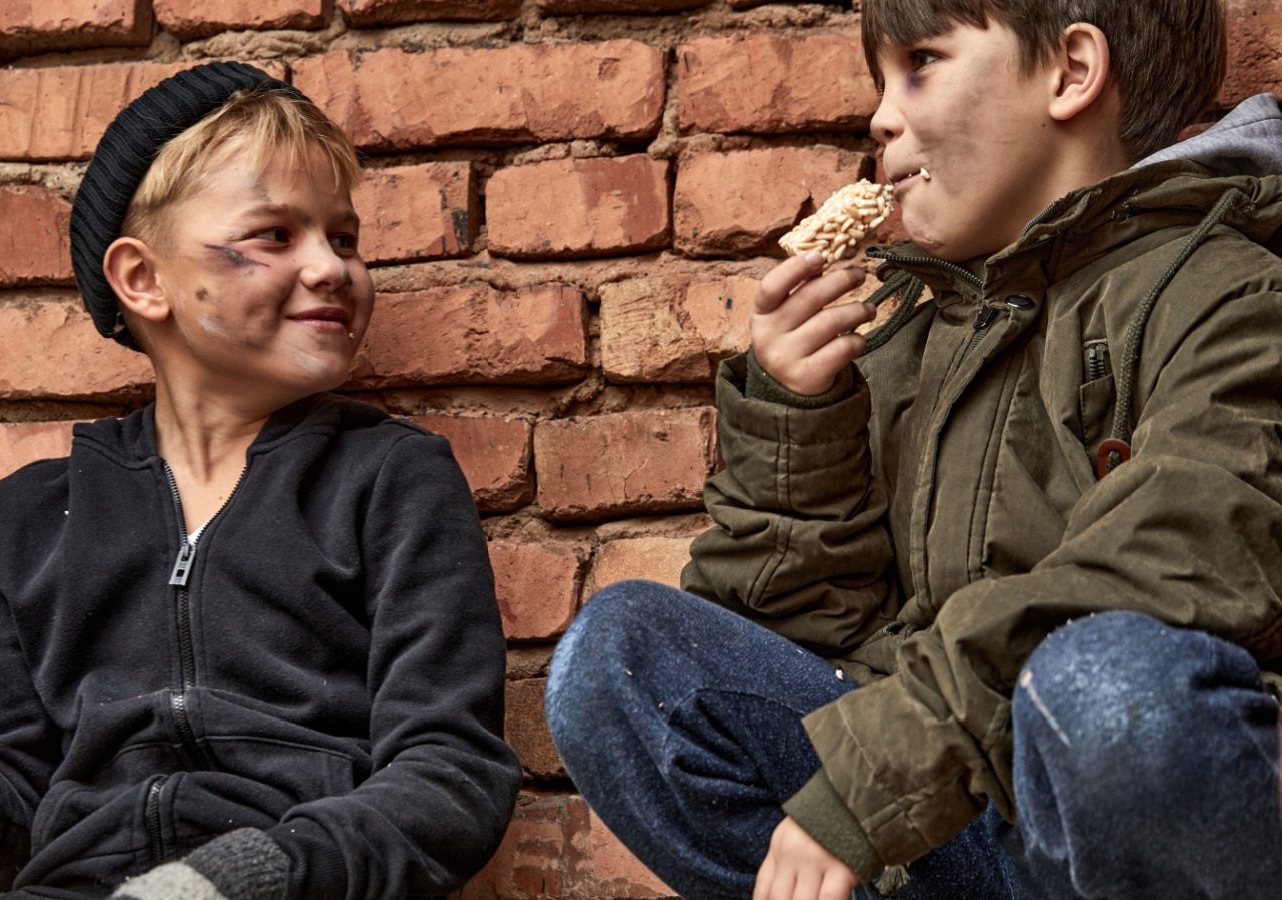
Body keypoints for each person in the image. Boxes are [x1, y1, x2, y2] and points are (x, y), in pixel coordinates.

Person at [545, 1, 1282, 898]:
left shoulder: (1231, 297)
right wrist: (798, 418)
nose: (881, 117)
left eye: (920, 63)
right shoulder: (901, 334)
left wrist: (869, 787)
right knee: (621, 655)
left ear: (1071, 72)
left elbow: (1170, 565)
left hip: (1112, 830)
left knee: (1100, 680)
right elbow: (816, 655)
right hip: (947, 836)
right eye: (877, 79)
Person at [0, 61, 521, 900]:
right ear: (142, 279)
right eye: (274, 235)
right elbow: (1, 847)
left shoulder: (393, 481)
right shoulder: (21, 524)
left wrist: (244, 878)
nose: (332, 268)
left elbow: (451, 775)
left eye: (344, 238)